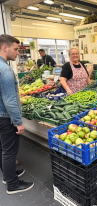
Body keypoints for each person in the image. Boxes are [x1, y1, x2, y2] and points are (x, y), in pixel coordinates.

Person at [0, 34, 34, 194]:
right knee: (9, 152)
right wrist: (18, 122)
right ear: (5, 47)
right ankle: (12, 184)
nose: (18, 53)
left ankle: (8, 175)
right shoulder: (5, 70)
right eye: (15, 49)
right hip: (6, 117)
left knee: (3, 148)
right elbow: (9, 101)